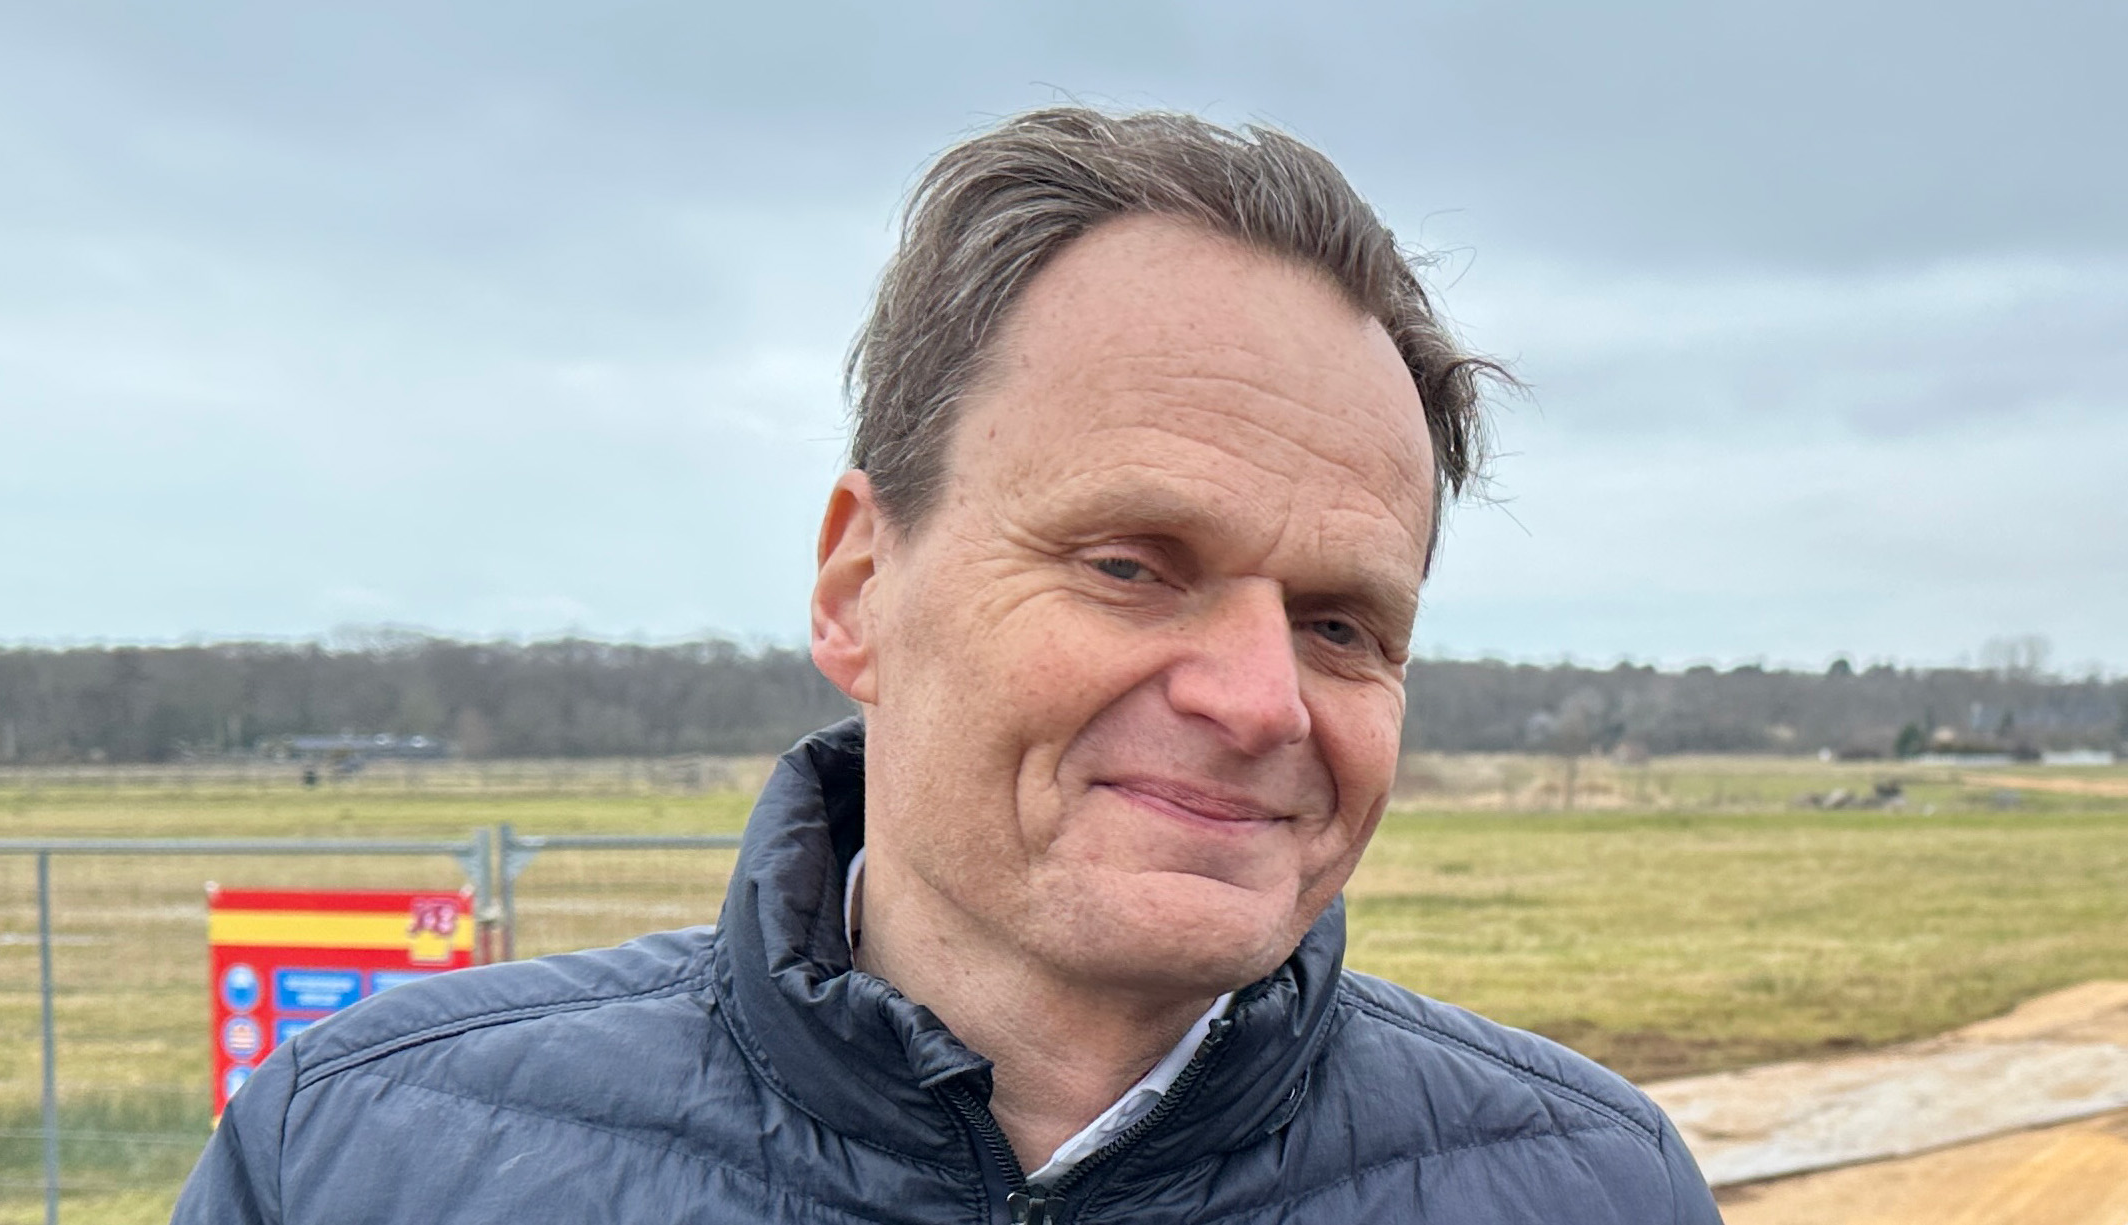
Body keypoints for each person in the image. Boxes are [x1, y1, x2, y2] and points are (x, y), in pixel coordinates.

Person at [174, 108, 1721, 1224]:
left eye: (1339, 625)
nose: (1257, 700)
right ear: (859, 582)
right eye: (1130, 566)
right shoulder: (364, 1156)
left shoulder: (1594, 1187)